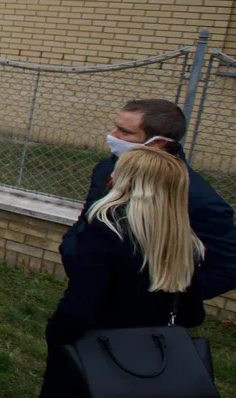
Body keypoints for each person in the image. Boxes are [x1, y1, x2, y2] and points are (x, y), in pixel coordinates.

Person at [40, 147, 206, 397]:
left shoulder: (107, 231)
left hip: (96, 352)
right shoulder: (185, 243)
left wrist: (56, 335)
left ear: (127, 181)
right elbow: (192, 315)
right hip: (153, 355)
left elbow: (79, 309)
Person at [59, 98, 236, 309]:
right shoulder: (106, 169)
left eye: (125, 132)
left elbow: (227, 268)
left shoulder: (197, 198)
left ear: (158, 143)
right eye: (116, 127)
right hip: (89, 298)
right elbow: (87, 219)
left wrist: (164, 299)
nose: (112, 135)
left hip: (142, 321)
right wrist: (73, 256)